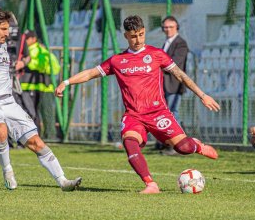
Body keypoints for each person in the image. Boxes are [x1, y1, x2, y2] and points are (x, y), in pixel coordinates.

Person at [55, 15, 220, 194]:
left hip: (159, 113)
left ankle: (196, 146)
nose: (138, 40)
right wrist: (66, 82)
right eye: (133, 36)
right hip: (134, 116)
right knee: (130, 143)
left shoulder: (156, 54)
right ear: (125, 35)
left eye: (141, 35)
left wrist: (202, 95)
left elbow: (180, 75)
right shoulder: (117, 61)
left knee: (183, 148)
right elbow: (90, 73)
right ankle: (151, 184)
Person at [0, 7, 81, 191]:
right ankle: (8, 171)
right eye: (3, 29)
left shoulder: (3, 44)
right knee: (0, 130)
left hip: (8, 103)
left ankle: (63, 182)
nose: (8, 33)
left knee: (37, 143)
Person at [17, 30, 61, 135]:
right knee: (34, 114)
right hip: (30, 87)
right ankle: (38, 136)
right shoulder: (28, 49)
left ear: (33, 39)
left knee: (43, 114)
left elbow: (53, 67)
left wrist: (25, 62)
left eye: (27, 39)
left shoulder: (39, 50)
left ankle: (49, 137)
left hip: (39, 87)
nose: (25, 41)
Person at [158, 16, 188, 155]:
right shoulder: (166, 43)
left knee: (172, 113)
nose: (168, 30)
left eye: (171, 27)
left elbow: (173, 64)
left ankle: (178, 144)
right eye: (165, 27)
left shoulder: (181, 43)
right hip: (164, 85)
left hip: (174, 84)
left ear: (177, 27)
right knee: (166, 114)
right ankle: (169, 142)